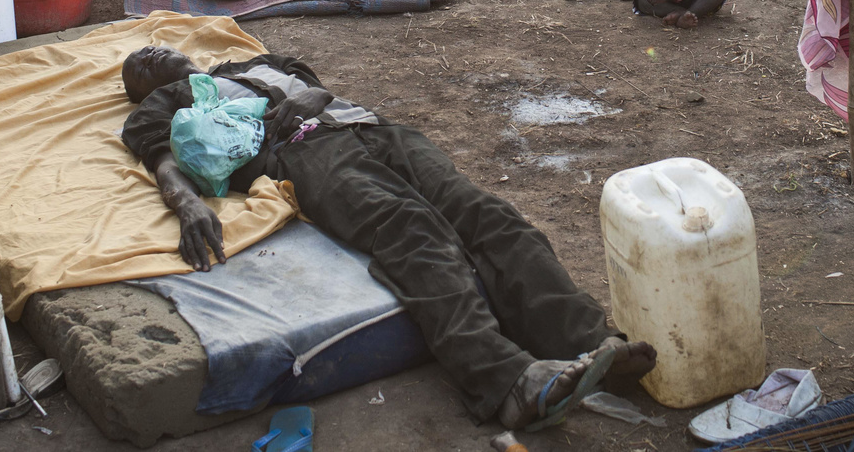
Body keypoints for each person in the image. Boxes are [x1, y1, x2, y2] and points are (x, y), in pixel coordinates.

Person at [120, 46, 658, 431]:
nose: (147, 55)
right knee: (411, 231)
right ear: (141, 90)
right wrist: (186, 201)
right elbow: (153, 148)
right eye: (136, 68)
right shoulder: (175, 98)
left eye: (150, 48)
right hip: (307, 153)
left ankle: (587, 342)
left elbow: (315, 84)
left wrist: (311, 95)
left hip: (374, 129)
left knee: (489, 216)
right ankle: (509, 381)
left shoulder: (254, 63)